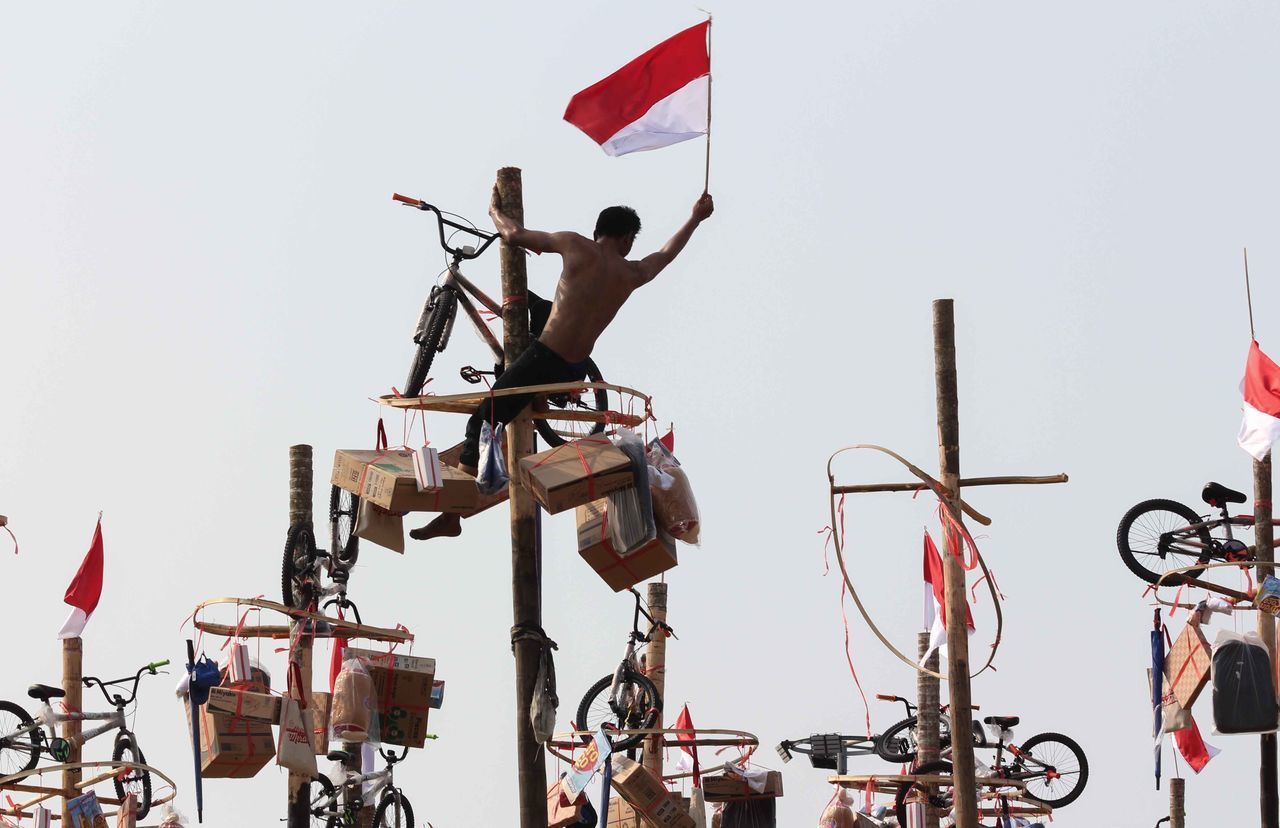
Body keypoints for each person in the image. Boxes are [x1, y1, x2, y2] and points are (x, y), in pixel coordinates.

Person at [410, 188, 714, 541]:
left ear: (598, 230)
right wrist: (695, 217)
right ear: (627, 238)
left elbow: (513, 234)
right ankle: (534, 397)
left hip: (544, 358)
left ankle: (452, 516)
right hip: (575, 367)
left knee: (482, 420)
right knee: (536, 307)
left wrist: (494, 210)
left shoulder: (575, 245)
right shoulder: (632, 272)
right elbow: (666, 254)